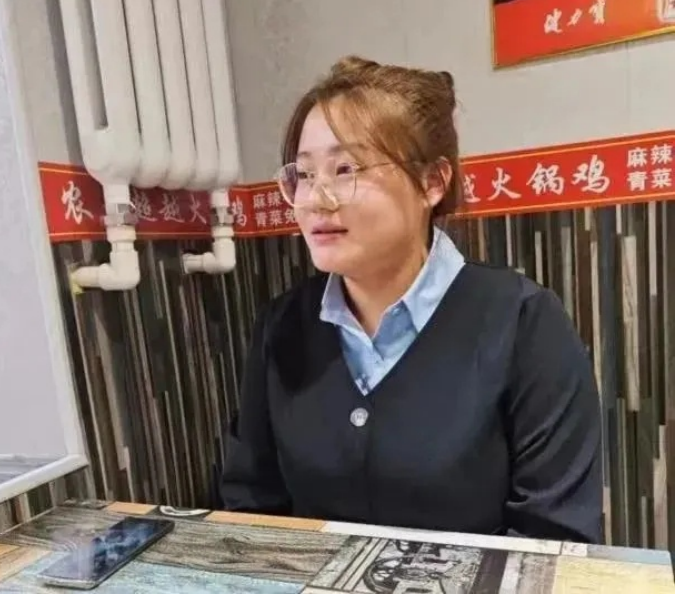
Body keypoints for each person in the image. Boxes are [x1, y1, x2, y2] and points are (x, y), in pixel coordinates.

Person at [220, 55, 603, 543]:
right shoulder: (282, 327)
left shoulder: (523, 324)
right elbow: (253, 506)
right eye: (305, 174)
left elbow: (556, 540)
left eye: (345, 168)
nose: (315, 198)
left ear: (432, 182)